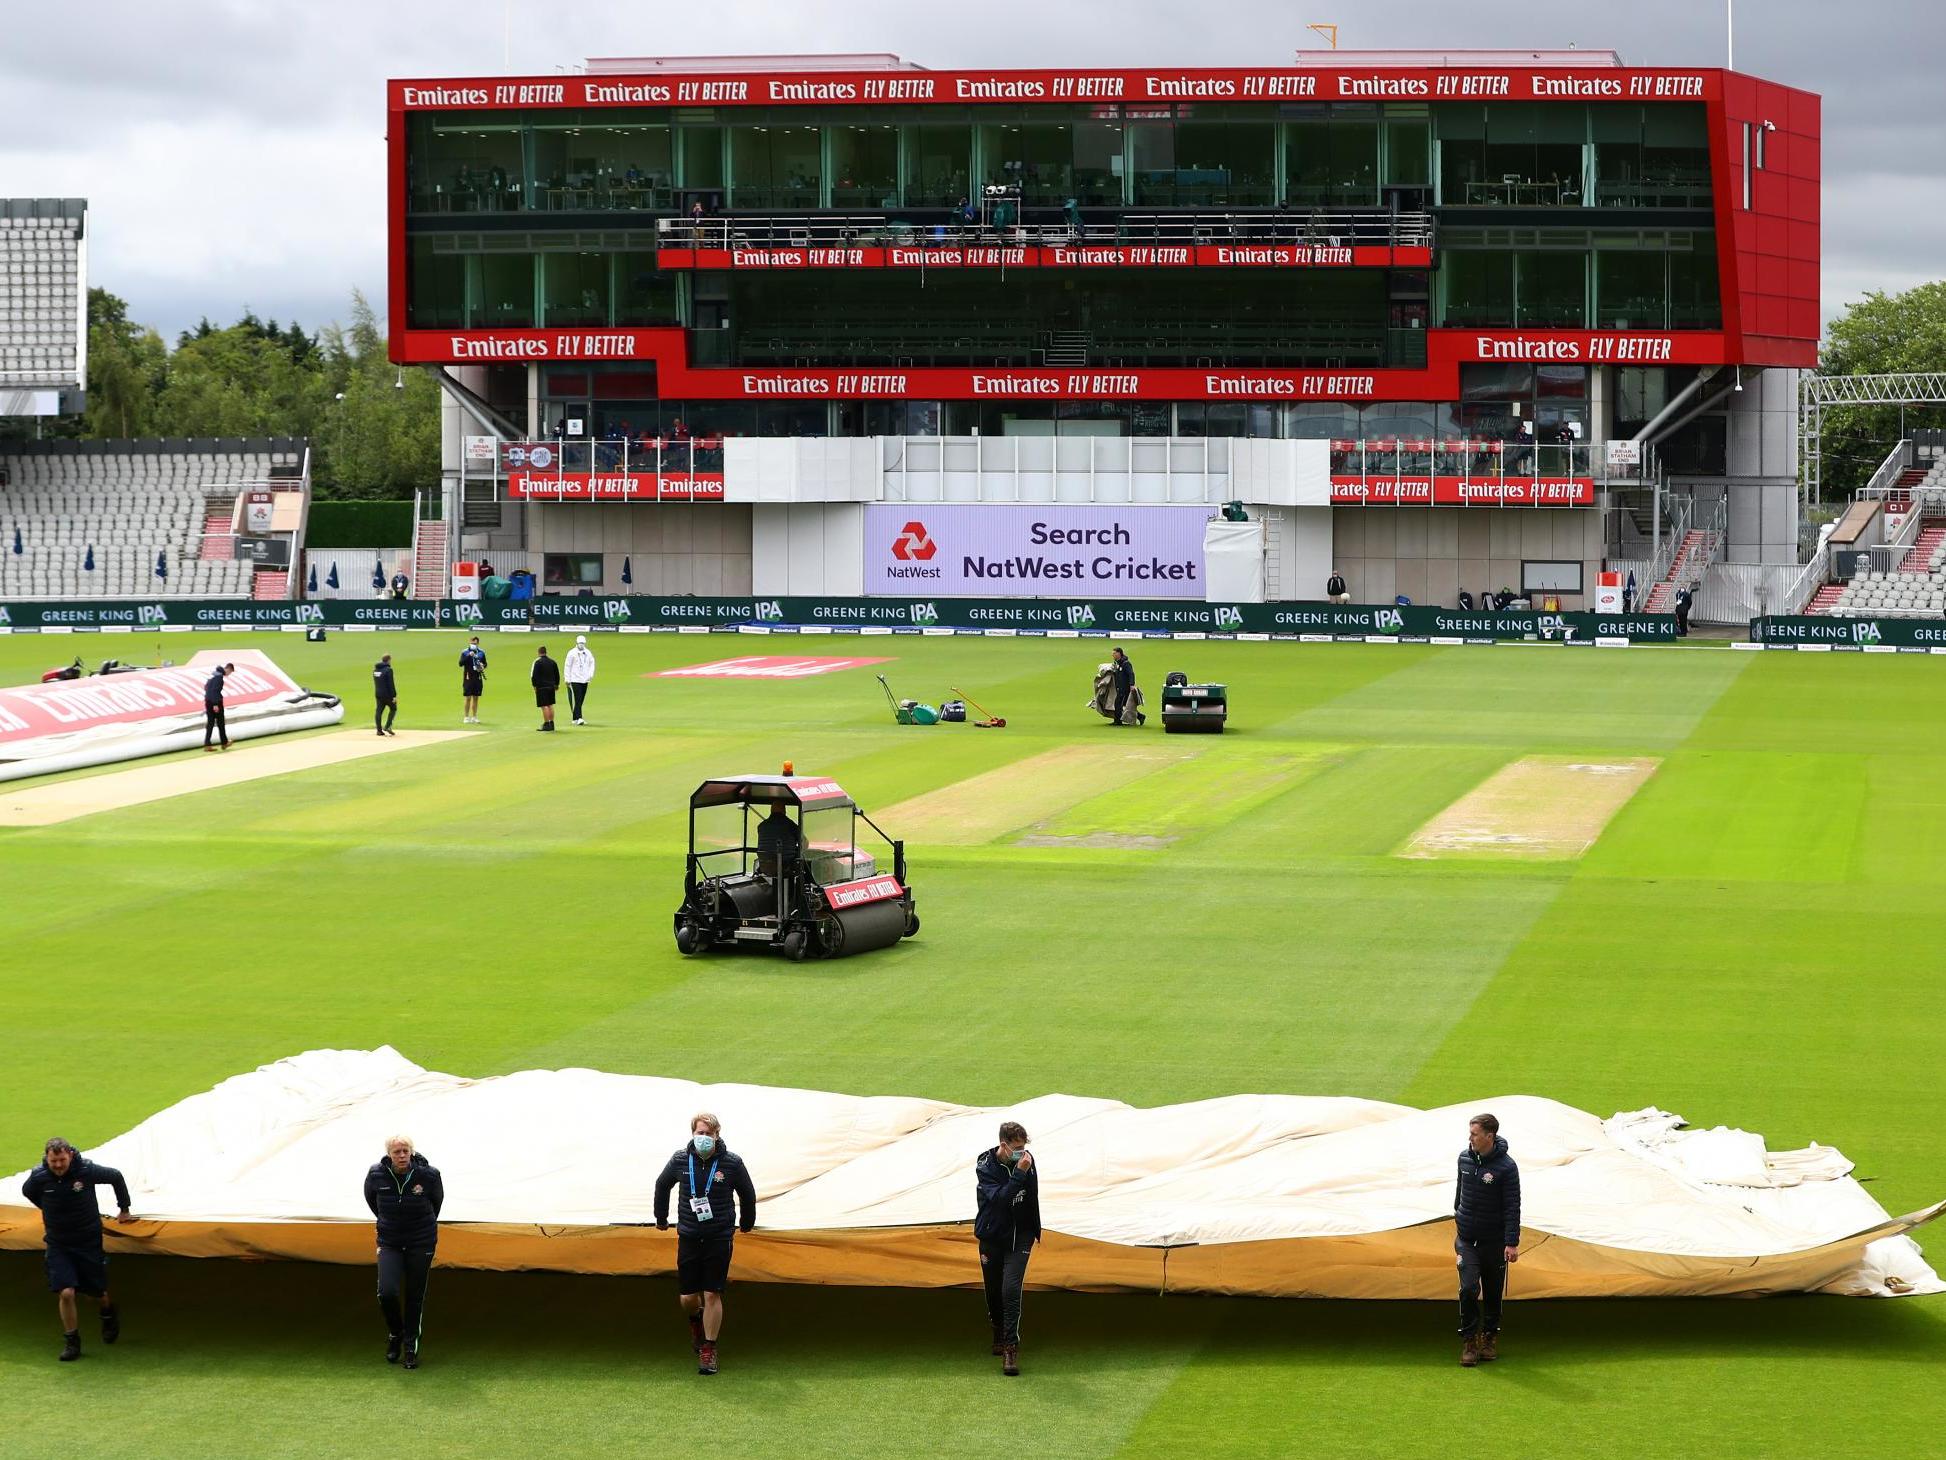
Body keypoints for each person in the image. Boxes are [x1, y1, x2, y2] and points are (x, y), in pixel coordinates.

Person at [653, 1114, 757, 1376]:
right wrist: (661, 1218)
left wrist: (746, 1223)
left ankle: (709, 1348)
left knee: (712, 1293)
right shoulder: (680, 1159)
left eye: (708, 1134)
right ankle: (695, 1322)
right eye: (699, 1133)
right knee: (688, 1297)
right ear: (692, 1134)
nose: (703, 1138)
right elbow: (662, 1185)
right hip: (689, 1235)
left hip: (719, 1236)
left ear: (717, 1135)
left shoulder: (731, 1163)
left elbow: (747, 1194)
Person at [21, 1138, 134, 1362]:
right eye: (54, 1161)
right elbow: (28, 1192)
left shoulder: (86, 1170)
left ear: (70, 1156)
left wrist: (124, 1208)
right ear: (47, 1158)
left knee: (96, 1292)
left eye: (62, 1160)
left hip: (87, 1241)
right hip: (58, 1243)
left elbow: (115, 1176)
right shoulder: (39, 1177)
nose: (58, 1165)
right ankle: (72, 1341)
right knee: (66, 1292)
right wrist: (48, 1206)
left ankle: (108, 1312)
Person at [363, 1134, 444, 1370]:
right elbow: (372, 1201)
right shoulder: (376, 1174)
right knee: (386, 1292)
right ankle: (396, 1333)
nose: (401, 1155)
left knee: (414, 1296)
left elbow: (436, 1203)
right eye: (397, 1152)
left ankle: (410, 1346)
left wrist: (419, 1228)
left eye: (405, 1151)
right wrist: (390, 1222)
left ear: (412, 1152)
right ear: (389, 1154)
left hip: (421, 1241)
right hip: (390, 1241)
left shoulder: (429, 1175)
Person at [974, 1121, 1040, 1377]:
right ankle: (998, 1331)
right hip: (992, 1234)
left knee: (1010, 1289)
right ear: (1004, 1145)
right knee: (993, 1290)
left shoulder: (1027, 1160)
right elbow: (1001, 1200)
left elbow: (1032, 1195)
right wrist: (1020, 1174)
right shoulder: (986, 1165)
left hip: (1020, 1235)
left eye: (1024, 1147)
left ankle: (1011, 1348)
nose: (1022, 1153)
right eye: (1017, 1148)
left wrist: (1034, 1229)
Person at [1454, 1112, 1520, 1368]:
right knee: (1469, 1289)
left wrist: (1511, 1242)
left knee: (1493, 1293)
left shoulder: (1506, 1167)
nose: (1470, 1138)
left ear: (1489, 1136)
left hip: (1494, 1243)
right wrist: (1459, 1216)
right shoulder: (1463, 1158)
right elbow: (1459, 1193)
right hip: (1467, 1240)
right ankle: (1469, 1340)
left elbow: (1512, 1206)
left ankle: (1490, 1338)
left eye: (1474, 1133)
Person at [755, 801, 801, 880]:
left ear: (771, 811)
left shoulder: (761, 826)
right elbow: (804, 843)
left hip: (765, 865)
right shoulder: (790, 825)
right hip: (785, 865)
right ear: (784, 811)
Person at [564, 634, 596, 725]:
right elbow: (567, 666)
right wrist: (567, 678)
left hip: (585, 679)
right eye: (580, 643)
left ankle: (574, 718)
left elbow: (592, 664)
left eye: (583, 643)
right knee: (578, 699)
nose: (581, 645)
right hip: (575, 679)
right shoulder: (571, 653)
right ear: (577, 643)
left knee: (581, 699)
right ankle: (579, 718)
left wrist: (590, 675)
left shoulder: (588, 653)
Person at [203, 660, 233, 751]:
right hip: (215, 702)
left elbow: (206, 687)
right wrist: (215, 704)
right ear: (228, 669)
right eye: (230, 672)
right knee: (221, 723)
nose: (229, 674)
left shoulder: (213, 675)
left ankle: (207, 744)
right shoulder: (219, 677)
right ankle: (224, 743)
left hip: (208, 701)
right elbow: (215, 690)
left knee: (210, 724)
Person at [1109, 646, 1143, 727]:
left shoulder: (1126, 663)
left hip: (1124, 688)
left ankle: (1117, 721)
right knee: (1125, 705)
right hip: (1119, 687)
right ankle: (1140, 716)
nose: (1112, 655)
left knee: (1118, 704)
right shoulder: (1118, 663)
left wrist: (1132, 684)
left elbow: (1131, 674)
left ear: (1119, 653)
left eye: (1114, 653)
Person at [531, 644, 561, 731]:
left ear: (539, 653)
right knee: (550, 705)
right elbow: (557, 674)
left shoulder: (538, 663)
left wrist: (534, 685)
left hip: (542, 687)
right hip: (551, 687)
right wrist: (556, 684)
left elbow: (534, 676)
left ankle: (546, 724)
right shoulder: (552, 662)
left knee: (544, 706)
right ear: (546, 652)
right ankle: (552, 723)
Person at [459, 637, 487, 723]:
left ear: (478, 644)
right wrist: (468, 656)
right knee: (468, 697)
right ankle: (466, 717)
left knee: (476, 697)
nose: (473, 645)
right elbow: (460, 663)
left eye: (475, 644)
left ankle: (474, 717)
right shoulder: (465, 652)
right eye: (472, 643)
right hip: (468, 676)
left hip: (477, 676)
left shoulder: (481, 653)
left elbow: (485, 663)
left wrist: (483, 666)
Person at [373, 654, 398, 737]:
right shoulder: (388, 670)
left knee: (378, 711)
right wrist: (394, 695)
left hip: (378, 693)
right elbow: (391, 684)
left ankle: (379, 731)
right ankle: (387, 726)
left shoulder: (375, 670)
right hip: (387, 695)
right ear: (388, 660)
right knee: (393, 708)